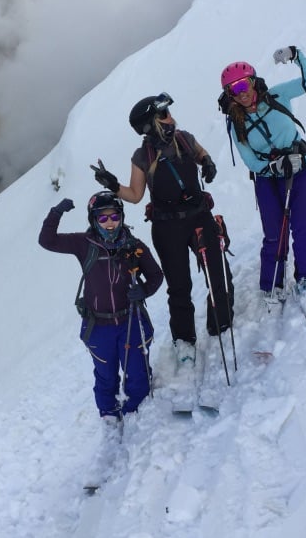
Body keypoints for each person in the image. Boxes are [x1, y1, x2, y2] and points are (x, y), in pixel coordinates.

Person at [90, 93, 232, 373]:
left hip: (198, 216)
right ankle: (184, 340)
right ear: (150, 124)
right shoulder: (143, 156)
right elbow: (135, 195)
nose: (171, 118)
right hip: (168, 226)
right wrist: (113, 185)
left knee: (218, 272)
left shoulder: (184, 139)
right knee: (179, 286)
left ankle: (221, 325)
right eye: (164, 114)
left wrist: (208, 163)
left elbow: (201, 154)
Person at [39, 191, 164, 426]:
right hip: (99, 325)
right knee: (105, 374)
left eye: (114, 217)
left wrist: (144, 291)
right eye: (103, 218)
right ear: (94, 220)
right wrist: (55, 213)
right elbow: (47, 241)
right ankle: (108, 413)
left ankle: (136, 410)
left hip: (130, 321)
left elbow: (156, 275)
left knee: (137, 372)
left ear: (122, 217)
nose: (110, 223)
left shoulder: (134, 246)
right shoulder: (84, 244)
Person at [218, 45, 306, 297]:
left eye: (244, 85)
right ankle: (272, 284)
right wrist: (273, 166)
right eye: (234, 90)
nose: (241, 93)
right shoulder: (236, 124)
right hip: (268, 180)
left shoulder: (277, 96)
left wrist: (296, 55)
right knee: (274, 234)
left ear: (253, 82)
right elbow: (250, 160)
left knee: (304, 226)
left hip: (302, 170)